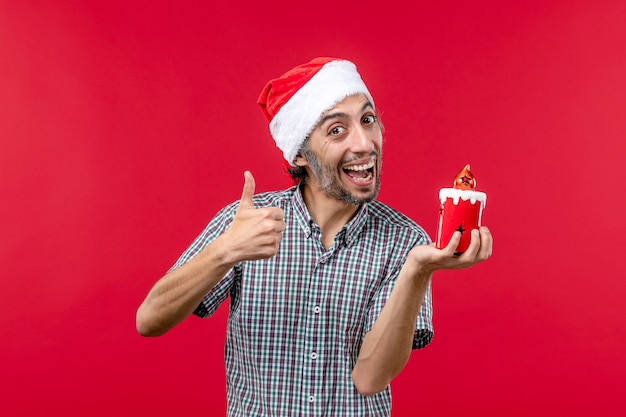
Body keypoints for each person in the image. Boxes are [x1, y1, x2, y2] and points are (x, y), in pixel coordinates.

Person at [136, 57, 493, 416]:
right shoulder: (246, 223)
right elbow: (149, 320)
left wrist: (417, 271)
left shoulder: (404, 241)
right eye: (337, 130)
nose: (365, 143)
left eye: (368, 120)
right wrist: (224, 252)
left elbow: (371, 379)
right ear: (301, 154)